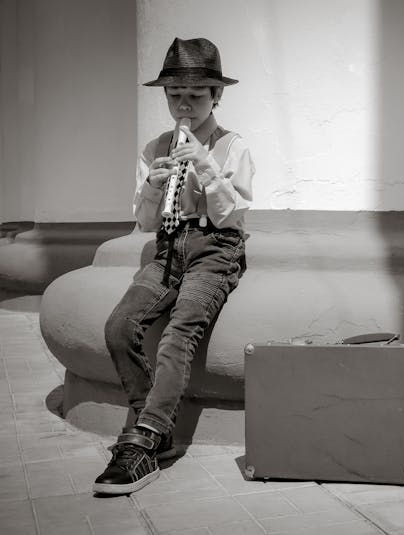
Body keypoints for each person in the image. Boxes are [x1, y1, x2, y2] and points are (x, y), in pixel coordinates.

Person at [93, 37, 254, 495]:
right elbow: (144, 221)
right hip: (169, 247)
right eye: (175, 95)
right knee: (120, 326)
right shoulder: (154, 147)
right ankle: (155, 428)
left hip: (216, 249)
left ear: (216, 96)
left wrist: (205, 166)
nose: (184, 105)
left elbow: (232, 216)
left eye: (196, 96)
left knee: (180, 331)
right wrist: (152, 185)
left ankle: (142, 441)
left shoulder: (233, 146)